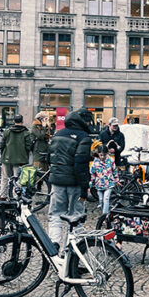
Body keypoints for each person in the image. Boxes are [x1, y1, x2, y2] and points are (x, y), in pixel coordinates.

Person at [47, 109, 94, 256]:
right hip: (74, 183)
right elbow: (81, 165)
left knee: (55, 214)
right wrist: (84, 188)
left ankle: (53, 246)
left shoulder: (58, 134)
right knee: (76, 217)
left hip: (57, 181)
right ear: (85, 122)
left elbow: (49, 158)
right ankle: (70, 253)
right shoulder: (83, 137)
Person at [0, 114, 33, 199]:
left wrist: (4, 153)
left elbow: (2, 144)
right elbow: (28, 146)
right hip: (20, 160)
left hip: (7, 158)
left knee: (5, 178)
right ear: (22, 121)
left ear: (13, 121)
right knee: (18, 180)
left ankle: (3, 196)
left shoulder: (7, 131)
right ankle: (16, 197)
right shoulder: (26, 132)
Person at [90, 144, 116, 218]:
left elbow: (115, 171)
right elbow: (92, 172)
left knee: (106, 198)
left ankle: (105, 216)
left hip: (109, 183)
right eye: (101, 155)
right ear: (98, 154)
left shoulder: (110, 160)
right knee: (101, 200)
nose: (102, 157)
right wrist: (92, 181)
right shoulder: (95, 161)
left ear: (107, 154)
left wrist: (117, 180)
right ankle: (104, 212)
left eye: (104, 155)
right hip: (99, 184)